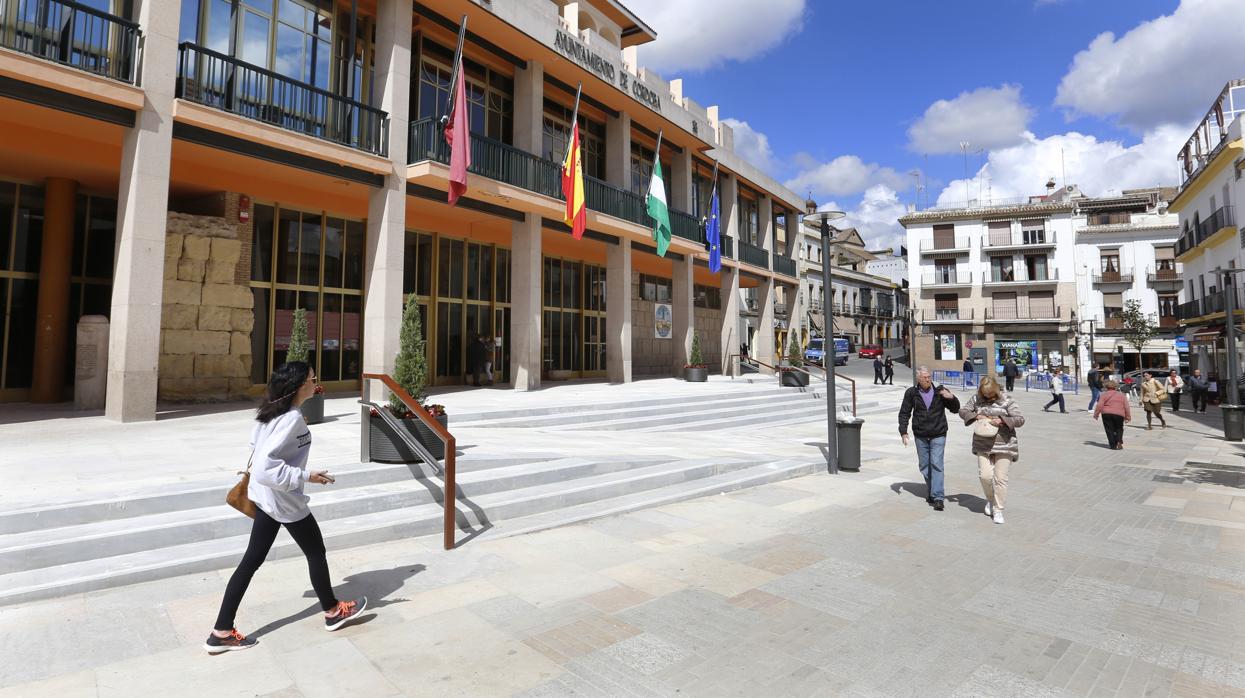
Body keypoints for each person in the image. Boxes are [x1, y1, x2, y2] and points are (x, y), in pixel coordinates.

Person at [206, 362, 368, 654]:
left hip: (268, 500)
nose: (316, 385)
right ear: (297, 387)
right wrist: (306, 475)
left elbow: (256, 445)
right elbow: (266, 469)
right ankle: (332, 611)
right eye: (312, 380)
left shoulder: (270, 411)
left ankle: (221, 631)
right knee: (316, 553)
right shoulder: (291, 418)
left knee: (251, 562)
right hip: (284, 501)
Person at [959, 376, 1025, 525]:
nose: (988, 396)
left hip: (1005, 444)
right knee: (985, 476)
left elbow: (1020, 419)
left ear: (995, 389)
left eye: (990, 393)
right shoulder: (976, 399)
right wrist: (976, 416)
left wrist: (1003, 420)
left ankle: (998, 509)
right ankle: (990, 499)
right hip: (983, 443)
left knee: (1000, 478)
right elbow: (963, 411)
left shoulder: (1007, 399)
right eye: (985, 394)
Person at [898, 367, 961, 511]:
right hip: (920, 434)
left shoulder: (940, 390)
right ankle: (933, 491)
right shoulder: (911, 393)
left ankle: (938, 497)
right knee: (924, 466)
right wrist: (903, 431)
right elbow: (904, 412)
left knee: (937, 464)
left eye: (929, 377)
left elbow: (955, 409)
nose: (928, 379)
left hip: (938, 433)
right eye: (925, 377)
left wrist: (951, 398)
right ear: (918, 379)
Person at [1093, 379, 1131, 450]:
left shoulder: (1103, 395)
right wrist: (1128, 417)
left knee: (1109, 429)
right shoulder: (1122, 395)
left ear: (1106, 387)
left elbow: (1099, 405)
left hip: (1106, 414)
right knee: (1119, 428)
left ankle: (1113, 445)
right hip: (1119, 414)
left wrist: (1096, 414)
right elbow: (1126, 406)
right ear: (1115, 387)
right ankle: (1119, 442)